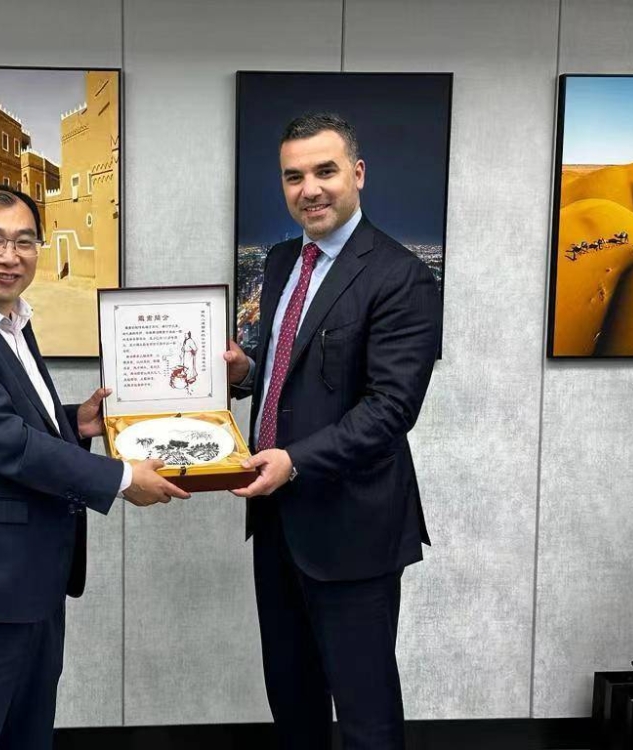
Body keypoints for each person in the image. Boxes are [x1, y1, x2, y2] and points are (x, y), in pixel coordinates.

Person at [0, 183, 188, 749]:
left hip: (28, 581)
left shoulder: (9, 320)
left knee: (25, 738)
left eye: (25, 241)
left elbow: (9, 420)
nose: (10, 256)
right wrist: (123, 478)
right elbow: (2, 440)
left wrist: (75, 423)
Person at [225, 113, 441, 749]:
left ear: (358, 173)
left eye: (325, 171)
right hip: (276, 518)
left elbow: (389, 409)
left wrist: (292, 461)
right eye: (294, 177)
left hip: (353, 524)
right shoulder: (281, 260)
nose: (309, 189)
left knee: (365, 708)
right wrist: (247, 374)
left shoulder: (401, 276)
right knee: (291, 697)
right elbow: (297, 371)